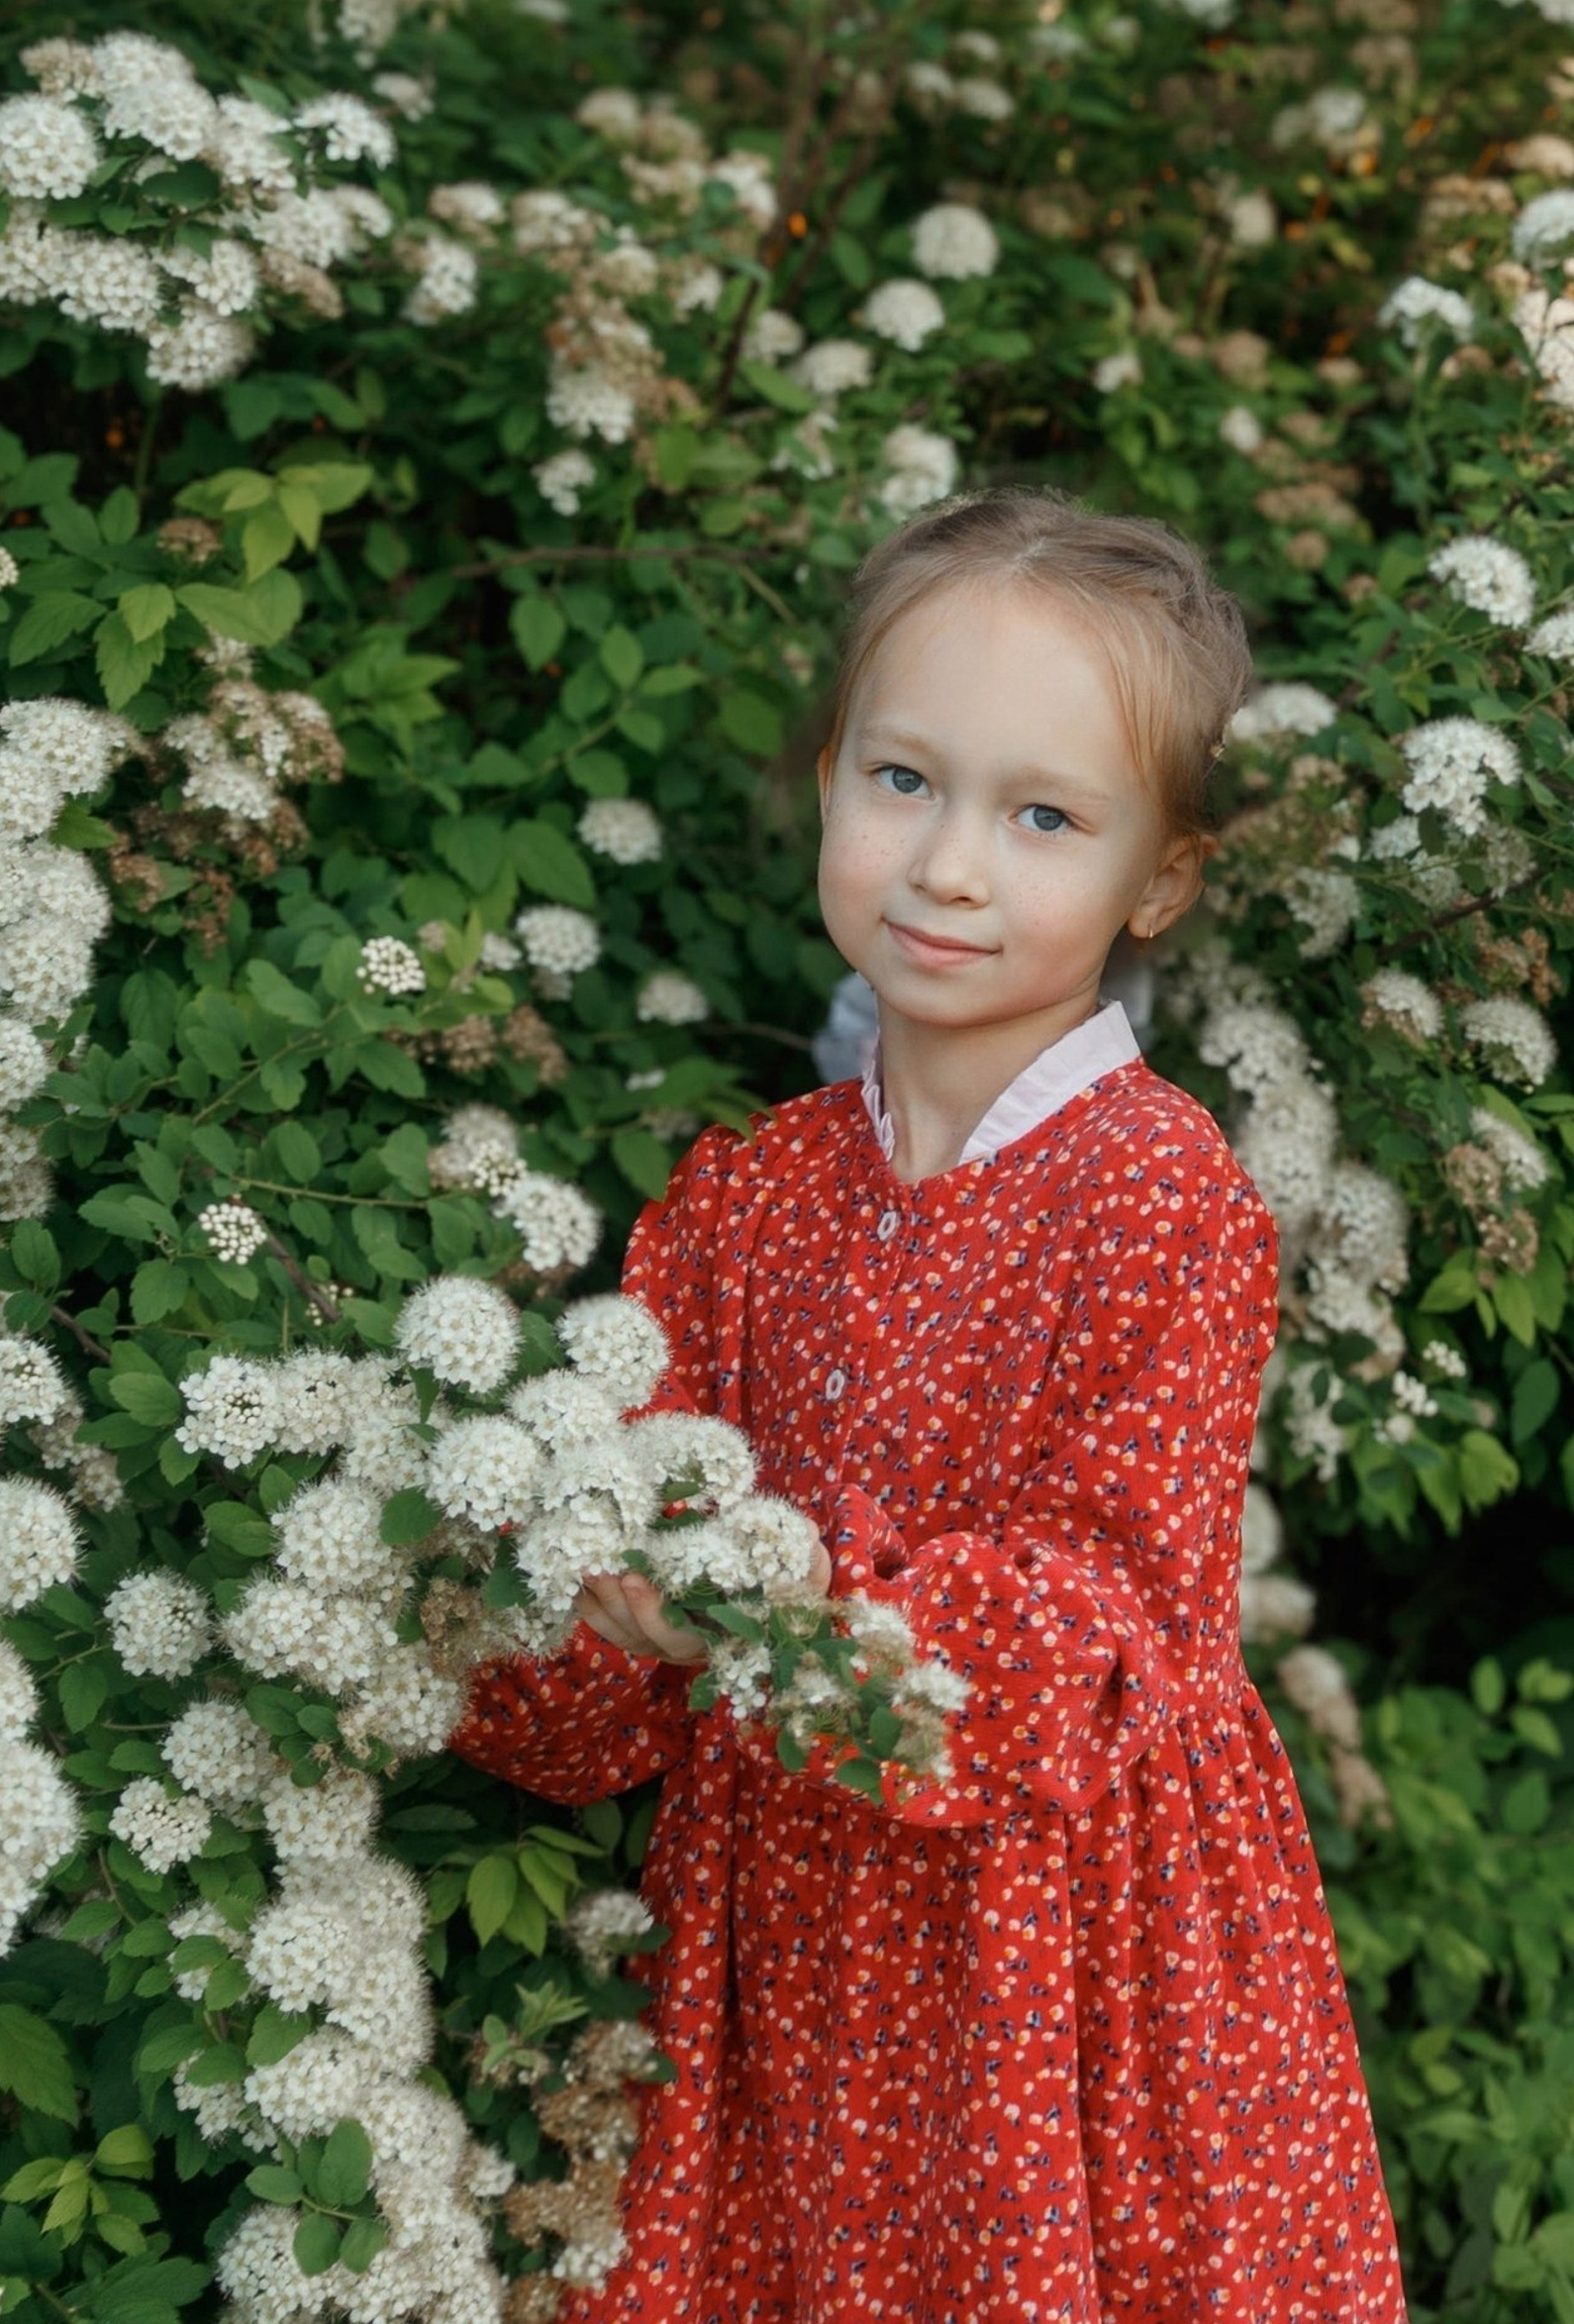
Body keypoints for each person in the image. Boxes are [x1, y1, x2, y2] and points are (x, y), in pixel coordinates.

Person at [445, 487, 1408, 2323]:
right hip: (792, 1942)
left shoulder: (1160, 1196)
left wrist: (797, 1609)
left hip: (1059, 1954)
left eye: (1044, 816)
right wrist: (573, 1595)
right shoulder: (743, 1198)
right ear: (829, 784)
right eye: (903, 781)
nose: (950, 865)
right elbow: (613, 1622)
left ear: (1161, 879)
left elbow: (1104, 1617)